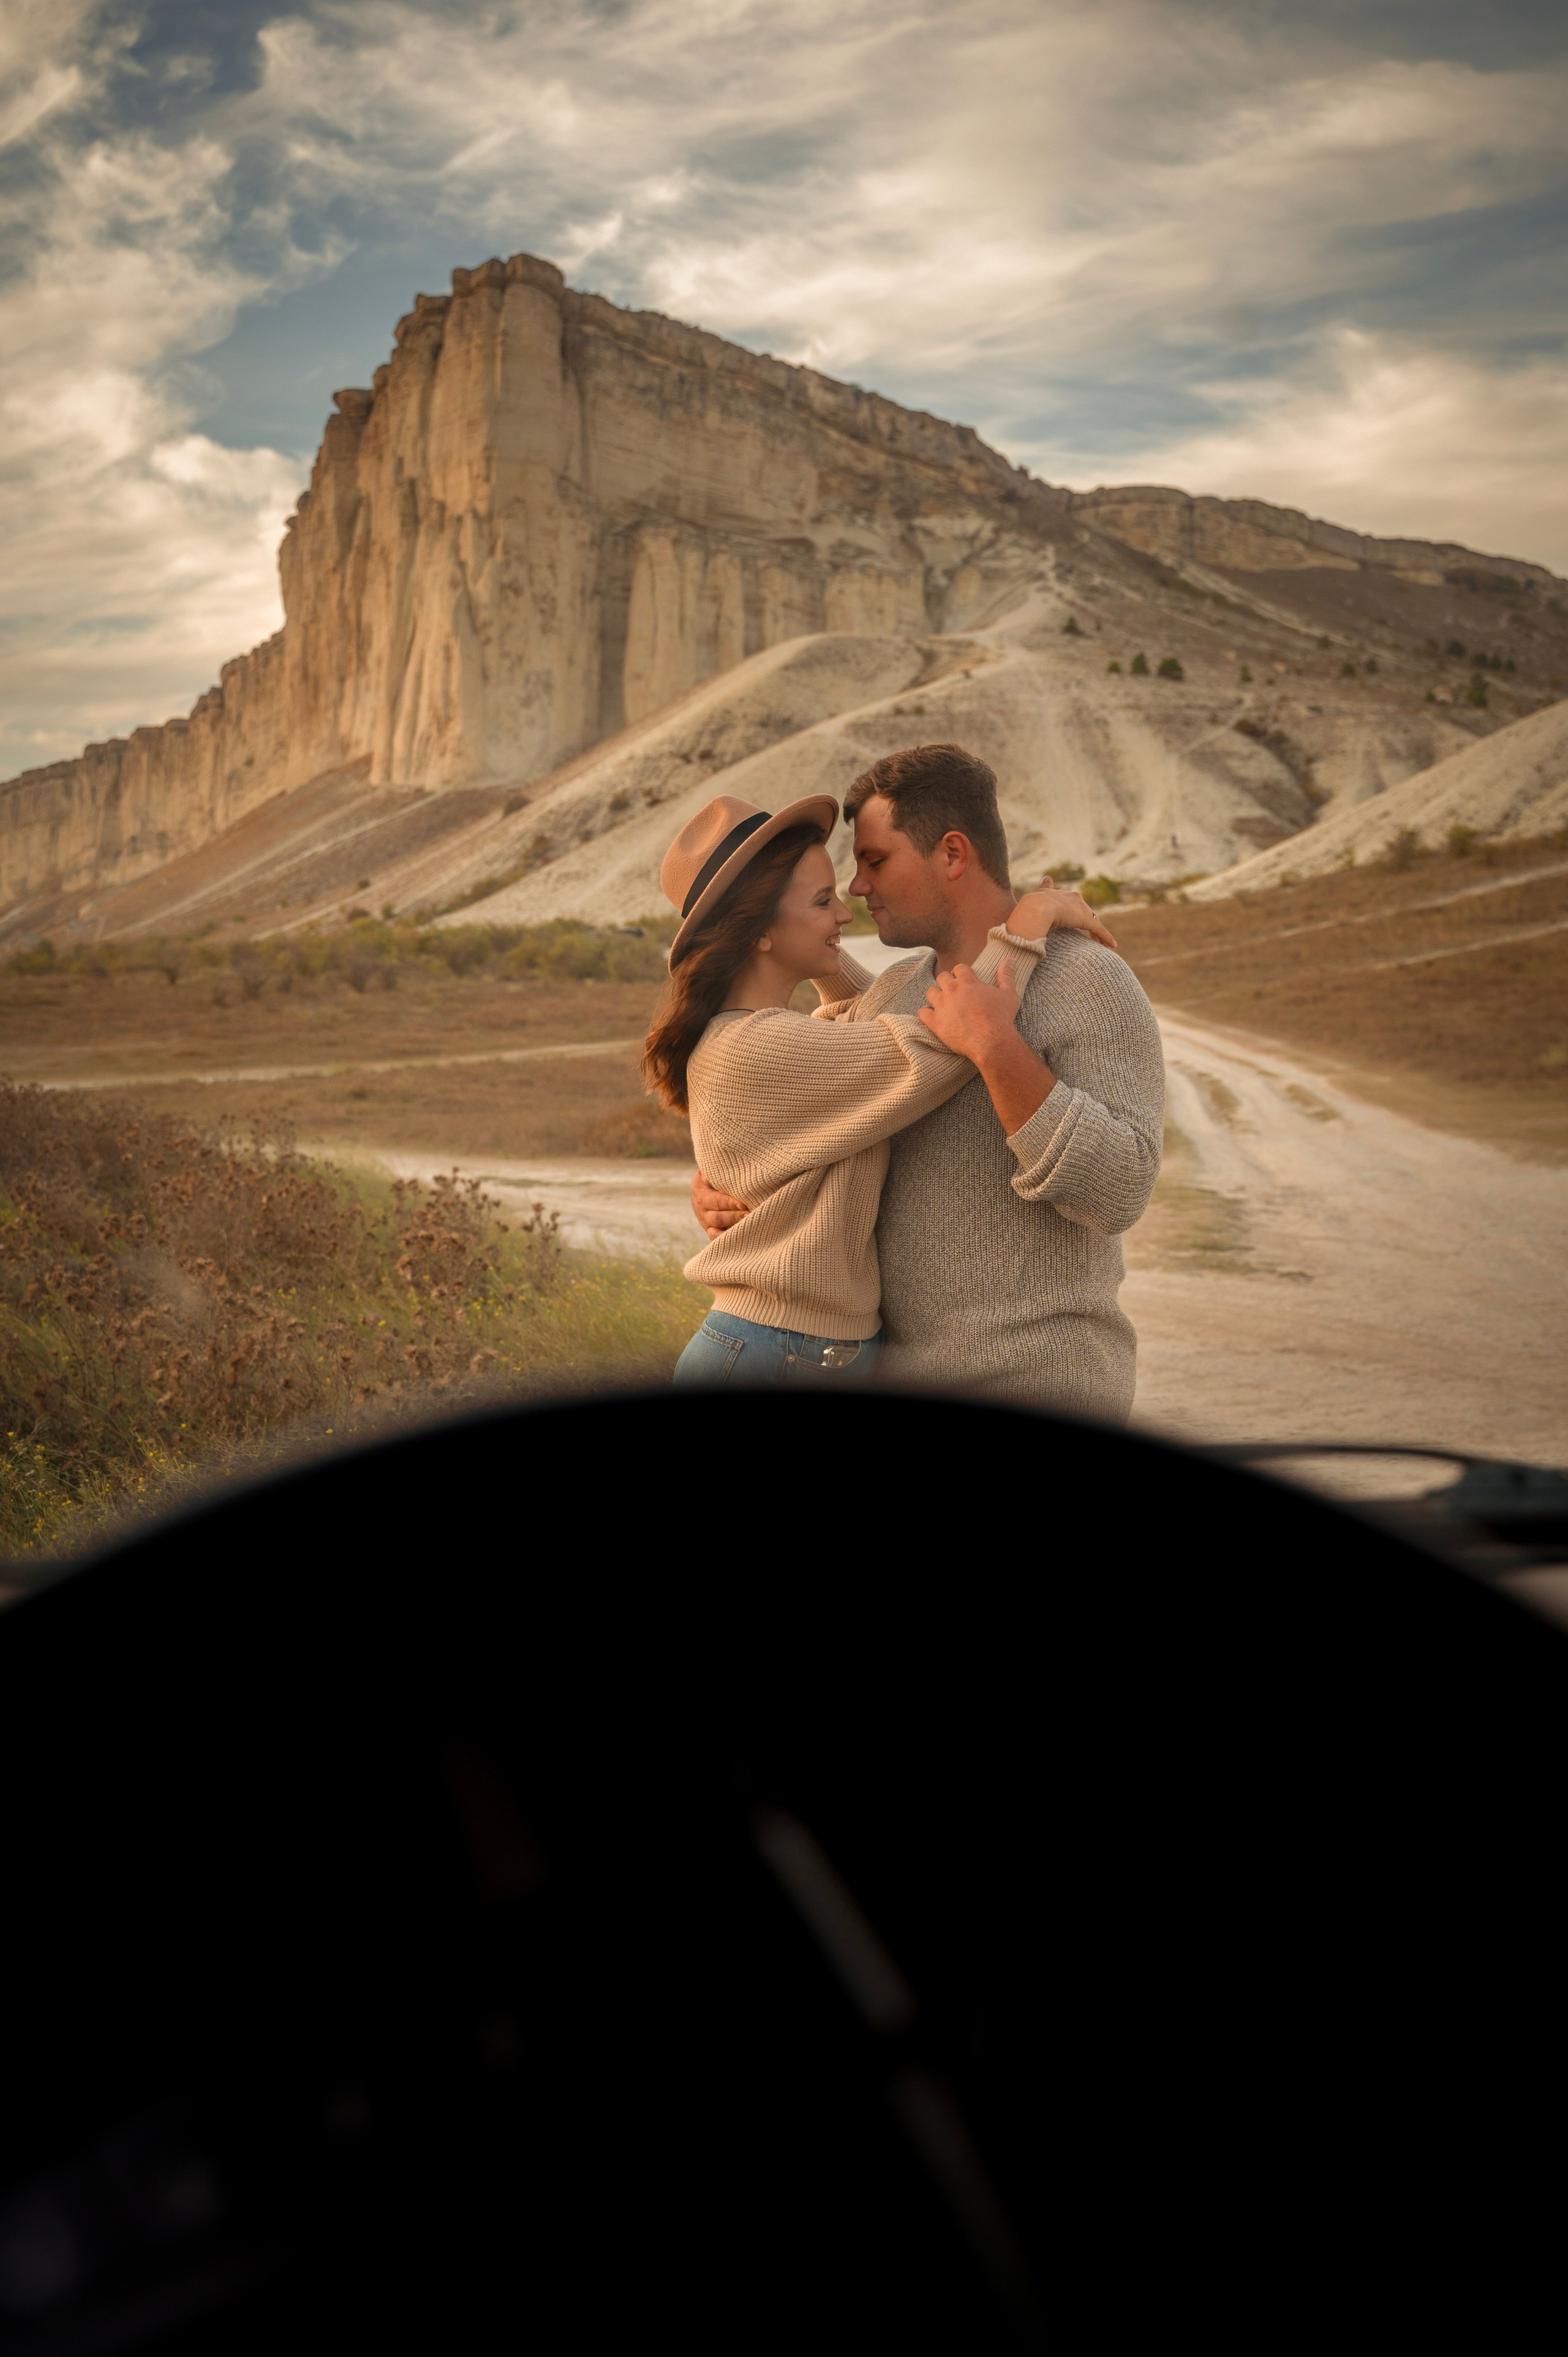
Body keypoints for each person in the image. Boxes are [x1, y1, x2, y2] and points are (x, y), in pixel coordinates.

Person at [691, 745, 1165, 1417]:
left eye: (875, 860)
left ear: (951, 854)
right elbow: (789, 1098)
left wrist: (998, 1050)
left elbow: (1119, 1190)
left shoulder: (1088, 980)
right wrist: (722, 1184)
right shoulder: (893, 994)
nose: (857, 887)